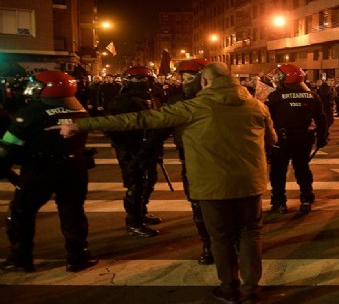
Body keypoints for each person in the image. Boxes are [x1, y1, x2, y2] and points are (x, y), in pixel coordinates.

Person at [49, 62, 277, 304]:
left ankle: (229, 289)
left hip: (212, 185)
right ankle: (252, 289)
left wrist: (79, 125)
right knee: (250, 234)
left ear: (205, 82)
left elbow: (139, 120)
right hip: (250, 183)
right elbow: (270, 139)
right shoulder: (257, 106)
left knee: (220, 238)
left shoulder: (193, 107)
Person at [0, 71, 98, 273]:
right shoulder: (78, 109)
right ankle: (78, 256)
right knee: (73, 211)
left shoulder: (29, 113)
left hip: (40, 169)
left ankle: (20, 257)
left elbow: (10, 147)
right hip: (75, 167)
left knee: (22, 212)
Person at [153, 58, 215, 264]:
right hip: (191, 160)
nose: (186, 82)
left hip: (222, 160)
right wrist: (147, 151)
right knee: (198, 206)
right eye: (184, 78)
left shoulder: (224, 99)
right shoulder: (176, 102)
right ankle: (208, 245)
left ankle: (227, 243)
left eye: (191, 78)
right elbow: (159, 128)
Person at [106, 66, 163, 237]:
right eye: (141, 80)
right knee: (136, 185)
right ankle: (134, 222)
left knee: (149, 180)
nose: (146, 84)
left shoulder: (150, 99)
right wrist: (128, 148)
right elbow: (113, 129)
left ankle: (141, 213)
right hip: (131, 149)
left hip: (147, 148)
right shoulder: (121, 101)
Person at [265, 64, 328, 215]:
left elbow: (266, 119)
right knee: (302, 169)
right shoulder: (313, 96)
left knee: (278, 172)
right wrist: (322, 137)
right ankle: (306, 199)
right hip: (303, 139)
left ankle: (279, 203)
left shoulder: (275, 96)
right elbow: (322, 119)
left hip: (281, 139)